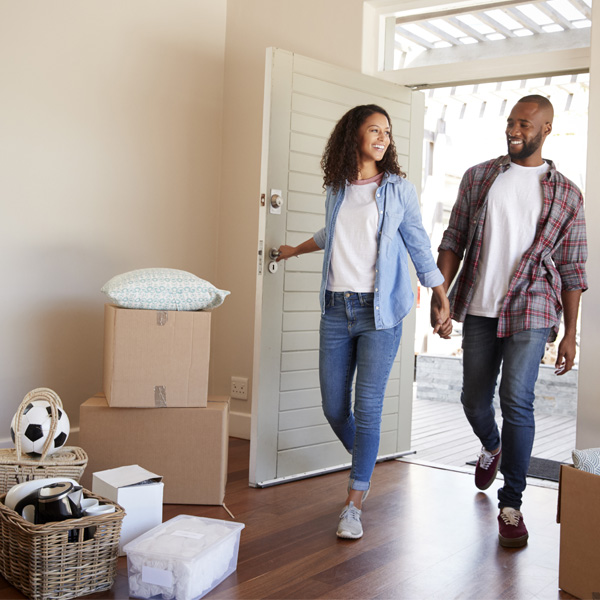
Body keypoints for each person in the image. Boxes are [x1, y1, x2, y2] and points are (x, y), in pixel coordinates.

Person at [277, 104, 449, 540]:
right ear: (353, 134)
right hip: (336, 309)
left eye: (387, 132)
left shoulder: (398, 190)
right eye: (374, 129)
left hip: (381, 312)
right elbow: (332, 233)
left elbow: (418, 243)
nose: (383, 137)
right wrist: (293, 251)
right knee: (334, 407)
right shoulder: (338, 187)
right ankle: (366, 463)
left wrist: (440, 294)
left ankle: (353, 503)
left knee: (366, 409)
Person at [431, 95, 588, 548]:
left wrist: (571, 335)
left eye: (525, 123)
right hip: (480, 305)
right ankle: (491, 445)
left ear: (546, 129)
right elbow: (453, 238)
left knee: (517, 397)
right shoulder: (480, 176)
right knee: (474, 399)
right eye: (511, 121)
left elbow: (574, 270)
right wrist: (440, 295)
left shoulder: (567, 194)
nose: (514, 129)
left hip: (533, 304)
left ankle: (511, 502)